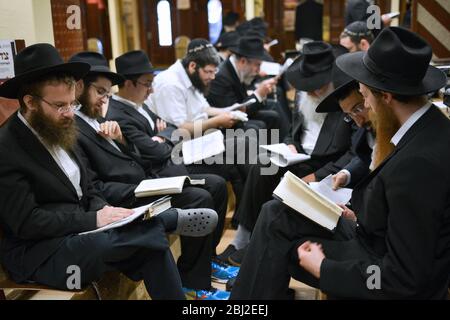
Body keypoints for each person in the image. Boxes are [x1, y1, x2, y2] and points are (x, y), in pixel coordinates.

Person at [231, 27, 450, 300]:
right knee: (276, 214)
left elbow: (403, 279)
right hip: (370, 234)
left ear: (386, 97)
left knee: (281, 246)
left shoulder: (418, 163)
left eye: (366, 98)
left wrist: (324, 269)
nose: (366, 108)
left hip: (379, 264)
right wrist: (358, 213)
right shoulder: (430, 126)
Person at [0, 44, 213, 300]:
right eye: (60, 106)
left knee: (149, 246)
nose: (69, 114)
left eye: (71, 104)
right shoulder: (7, 148)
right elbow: (27, 223)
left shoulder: (59, 125)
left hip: (79, 229)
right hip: (38, 251)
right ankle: (161, 220)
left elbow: (87, 186)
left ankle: (155, 223)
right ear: (30, 102)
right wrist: (95, 220)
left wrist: (103, 210)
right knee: (130, 239)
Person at [69, 51, 234, 299]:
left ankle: (205, 263)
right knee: (200, 197)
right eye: (101, 92)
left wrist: (123, 140)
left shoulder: (99, 118)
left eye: (107, 92)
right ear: (79, 88)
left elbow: (165, 131)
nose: (105, 100)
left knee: (217, 185)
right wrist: (150, 149)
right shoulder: (81, 126)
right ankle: (192, 282)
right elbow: (142, 157)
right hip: (132, 192)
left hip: (146, 179)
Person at [217, 41, 355, 266]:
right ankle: (242, 239)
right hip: (299, 155)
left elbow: (353, 153)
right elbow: (293, 130)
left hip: (326, 166)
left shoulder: (347, 99)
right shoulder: (305, 93)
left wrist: (318, 176)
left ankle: (257, 246)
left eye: (317, 86)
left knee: (284, 188)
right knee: (261, 166)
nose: (311, 91)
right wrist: (289, 144)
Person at [207, 36, 281, 132]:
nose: (259, 70)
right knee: (258, 126)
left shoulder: (238, 70)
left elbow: (243, 102)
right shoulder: (221, 77)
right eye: (257, 65)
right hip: (223, 124)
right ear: (243, 61)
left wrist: (261, 94)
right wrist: (258, 94)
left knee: (273, 116)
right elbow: (234, 114)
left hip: (236, 116)